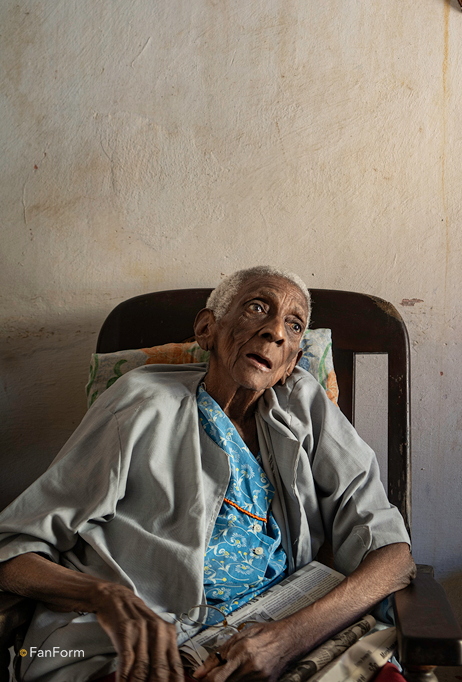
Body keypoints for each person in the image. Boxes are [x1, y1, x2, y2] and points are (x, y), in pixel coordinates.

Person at [0, 266, 414, 682]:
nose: (275, 332)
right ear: (206, 329)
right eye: (257, 307)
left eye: (294, 325)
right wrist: (103, 596)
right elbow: (13, 551)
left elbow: (394, 557)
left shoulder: (303, 406)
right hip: (138, 648)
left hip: (273, 636)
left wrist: (289, 638)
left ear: (291, 361)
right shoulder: (141, 402)